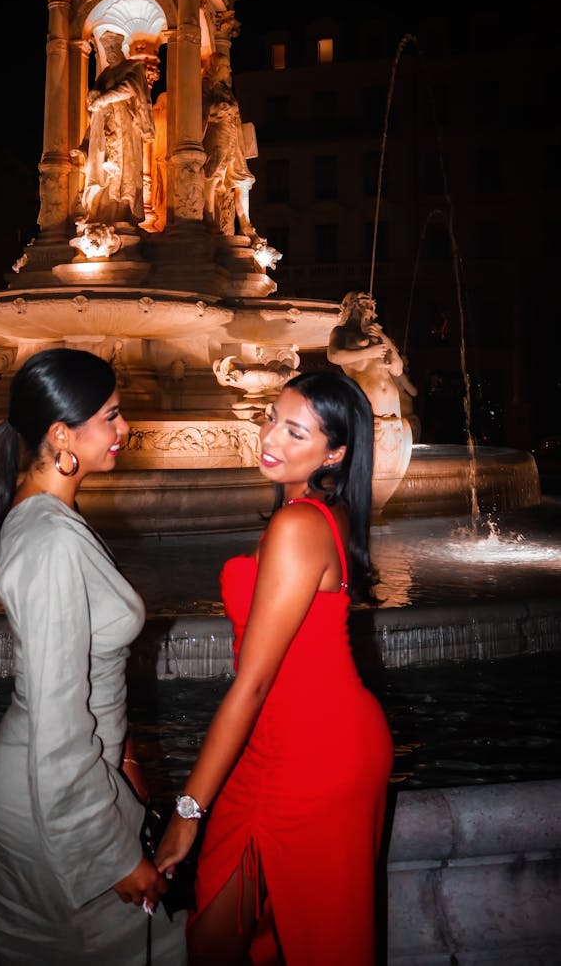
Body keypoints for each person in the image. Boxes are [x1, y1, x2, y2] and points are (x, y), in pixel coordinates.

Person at [153, 370, 394, 966]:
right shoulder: (319, 514)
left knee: (237, 943)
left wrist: (189, 811)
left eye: (295, 431)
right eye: (270, 419)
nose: (271, 439)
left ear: (334, 452)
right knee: (229, 936)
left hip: (312, 752)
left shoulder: (297, 525)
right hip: (293, 740)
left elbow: (254, 682)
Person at [0, 347, 186, 965]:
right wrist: (109, 855)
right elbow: (61, 718)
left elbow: (81, 678)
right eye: (112, 416)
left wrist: (123, 755)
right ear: (62, 433)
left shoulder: (46, 515)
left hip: (72, 775)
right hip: (52, 798)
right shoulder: (49, 540)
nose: (125, 429)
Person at [80, 30, 155, 227]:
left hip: (126, 127)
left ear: (120, 49)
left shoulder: (133, 67)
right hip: (105, 127)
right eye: (107, 51)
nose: (110, 54)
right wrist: (94, 96)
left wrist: (103, 98)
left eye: (112, 49)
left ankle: (124, 212)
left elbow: (130, 88)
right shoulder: (105, 74)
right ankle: (104, 211)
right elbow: (93, 98)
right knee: (105, 169)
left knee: (124, 171)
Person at [201, 52, 258, 241]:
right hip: (217, 135)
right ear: (216, 68)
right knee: (213, 173)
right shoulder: (206, 86)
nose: (230, 70)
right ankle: (208, 215)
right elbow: (200, 109)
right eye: (226, 66)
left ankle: (245, 224)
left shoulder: (225, 89)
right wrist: (223, 108)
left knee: (241, 179)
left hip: (234, 139)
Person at [326, 290, 408, 419]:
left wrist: (383, 337)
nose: (369, 303)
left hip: (391, 400)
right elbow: (334, 356)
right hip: (366, 398)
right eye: (363, 300)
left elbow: (397, 370)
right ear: (350, 304)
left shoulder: (377, 335)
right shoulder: (342, 332)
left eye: (370, 302)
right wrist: (369, 353)